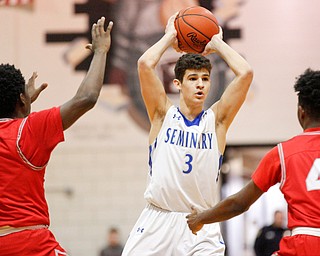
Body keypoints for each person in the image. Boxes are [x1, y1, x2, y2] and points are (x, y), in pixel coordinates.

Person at [122, 12, 253, 255]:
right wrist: (170, 36)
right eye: (193, 78)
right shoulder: (162, 114)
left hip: (200, 223)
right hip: (158, 220)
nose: (201, 84)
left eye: (205, 78)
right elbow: (144, 64)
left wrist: (217, 44)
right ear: (178, 84)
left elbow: (245, 73)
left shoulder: (217, 121)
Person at [0, 17, 113, 256]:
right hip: (29, 242)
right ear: (22, 99)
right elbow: (87, 98)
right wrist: (101, 52)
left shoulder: (22, 128)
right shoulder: (29, 130)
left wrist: (23, 104)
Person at [186, 68, 320, 256]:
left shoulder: (283, 153)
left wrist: (200, 218)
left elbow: (239, 203)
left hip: (304, 243)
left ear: (301, 112)